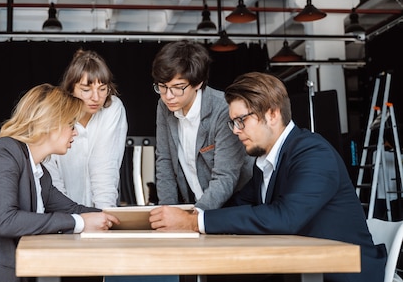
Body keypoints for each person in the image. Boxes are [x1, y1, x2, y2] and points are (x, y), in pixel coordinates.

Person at [149, 72, 387, 282]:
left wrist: (193, 222)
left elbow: (285, 217)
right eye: (233, 122)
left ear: (272, 115)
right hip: (299, 269)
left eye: (241, 120)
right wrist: (192, 219)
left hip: (342, 274)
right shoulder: (265, 163)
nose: (235, 130)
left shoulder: (313, 153)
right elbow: (237, 206)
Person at [0, 84, 120, 282]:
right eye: (71, 125)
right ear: (52, 123)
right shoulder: (5, 152)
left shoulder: (40, 172)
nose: (75, 133)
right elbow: (5, 222)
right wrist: (81, 222)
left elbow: (72, 208)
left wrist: (126, 220)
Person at [151, 40, 252, 210]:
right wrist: (167, 212)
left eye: (178, 87)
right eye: (162, 86)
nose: (168, 96)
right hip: (196, 203)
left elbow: (225, 176)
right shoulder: (164, 106)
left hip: (236, 205)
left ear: (198, 83)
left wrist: (193, 217)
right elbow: (165, 161)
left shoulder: (223, 109)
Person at [43, 49, 128, 209]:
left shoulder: (113, 108)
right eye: (86, 90)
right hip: (62, 212)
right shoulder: (56, 113)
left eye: (102, 89)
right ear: (71, 88)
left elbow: (105, 165)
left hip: (101, 210)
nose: (95, 98)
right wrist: (69, 215)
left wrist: (103, 216)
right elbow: (51, 172)